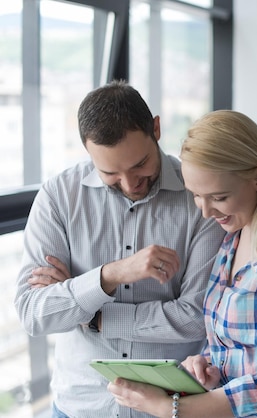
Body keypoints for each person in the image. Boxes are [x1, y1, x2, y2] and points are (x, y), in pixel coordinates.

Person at [108, 110, 257, 417]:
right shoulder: (233, 240)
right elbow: (234, 345)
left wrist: (170, 408)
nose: (206, 211)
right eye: (196, 196)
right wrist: (208, 364)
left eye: (218, 197)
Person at [13, 81, 225, 418]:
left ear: (156, 128)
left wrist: (91, 312)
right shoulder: (59, 196)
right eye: (110, 172)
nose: (130, 183)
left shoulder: (198, 196)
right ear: (87, 151)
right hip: (78, 407)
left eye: (140, 164)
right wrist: (110, 276)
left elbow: (198, 318)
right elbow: (34, 313)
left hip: (169, 406)